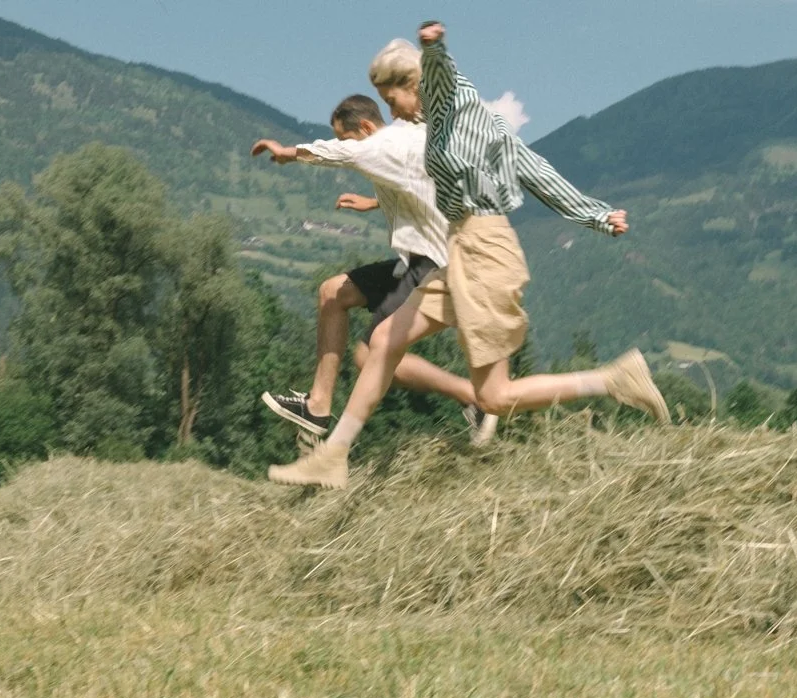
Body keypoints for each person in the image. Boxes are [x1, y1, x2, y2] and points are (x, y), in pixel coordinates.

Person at [269, 26, 668, 489]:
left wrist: (434, 50)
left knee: (494, 396)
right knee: (382, 343)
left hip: (485, 253)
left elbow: (523, 161)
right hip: (459, 250)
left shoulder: (461, 114)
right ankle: (333, 456)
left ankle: (613, 380)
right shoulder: (437, 133)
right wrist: (597, 216)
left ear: (416, 87)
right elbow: (500, 172)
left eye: (393, 100)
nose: (392, 111)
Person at [250, 93, 496, 444]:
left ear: (366, 127)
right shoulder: (394, 147)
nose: (345, 146)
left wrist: (290, 153)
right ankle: (317, 407)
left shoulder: (385, 145)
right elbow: (411, 182)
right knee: (332, 292)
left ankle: (475, 398)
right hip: (414, 261)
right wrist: (373, 202)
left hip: (435, 265)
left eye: (346, 138)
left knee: (368, 357)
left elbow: (346, 154)